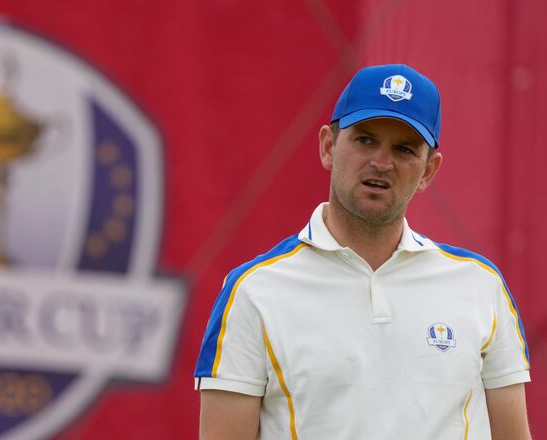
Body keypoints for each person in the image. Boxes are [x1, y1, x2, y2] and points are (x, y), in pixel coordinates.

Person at [194, 64, 531, 439]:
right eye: (365, 139)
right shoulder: (253, 291)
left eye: (404, 148)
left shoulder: (481, 287)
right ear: (328, 147)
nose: (382, 162)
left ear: (428, 172)